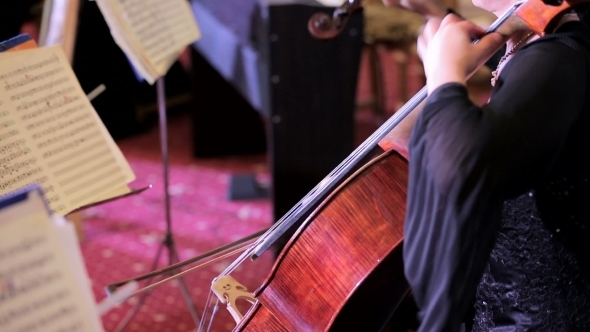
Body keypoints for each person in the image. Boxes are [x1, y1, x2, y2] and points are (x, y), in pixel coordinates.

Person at [381, 0, 590, 330]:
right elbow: (404, 139)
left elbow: (464, 166)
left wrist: (444, 77)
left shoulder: (559, 57)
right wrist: (444, 73)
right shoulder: (531, 39)